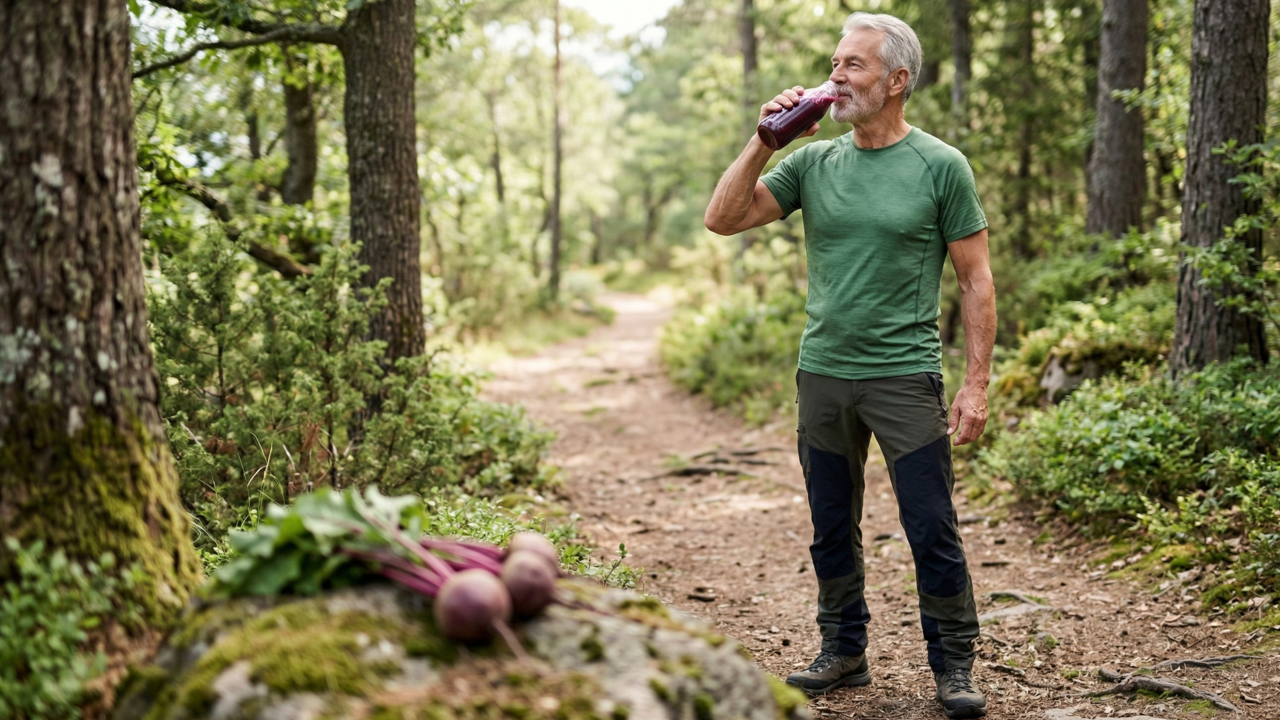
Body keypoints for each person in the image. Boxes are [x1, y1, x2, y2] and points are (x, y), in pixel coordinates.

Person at [703, 12, 996, 720]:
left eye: (854, 66)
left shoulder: (940, 166)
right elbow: (723, 218)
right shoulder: (813, 161)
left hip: (905, 374)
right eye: (835, 64)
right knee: (831, 522)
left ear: (896, 81)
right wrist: (764, 138)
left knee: (930, 523)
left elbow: (975, 279)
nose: (836, 76)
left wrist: (976, 384)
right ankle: (844, 651)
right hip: (823, 372)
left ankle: (953, 663)